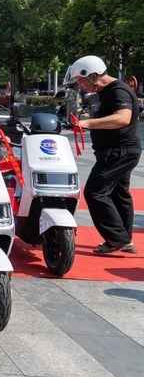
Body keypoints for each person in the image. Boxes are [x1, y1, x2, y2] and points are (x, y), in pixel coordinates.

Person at [64, 55, 140, 254]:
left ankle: (117, 239)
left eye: (81, 80)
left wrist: (88, 123)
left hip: (119, 151)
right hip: (120, 150)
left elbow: (123, 118)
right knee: (118, 194)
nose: (80, 85)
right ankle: (124, 239)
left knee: (95, 192)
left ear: (93, 75)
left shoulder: (118, 91)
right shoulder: (108, 92)